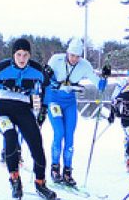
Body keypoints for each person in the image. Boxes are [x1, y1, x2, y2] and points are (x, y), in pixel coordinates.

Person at [0, 38, 57, 200]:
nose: (22, 59)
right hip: (4, 109)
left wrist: (45, 108)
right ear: (13, 55)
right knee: (10, 137)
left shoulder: (36, 69)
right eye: (18, 54)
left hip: (24, 109)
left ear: (29, 55)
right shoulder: (1, 68)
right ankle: (14, 179)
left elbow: (47, 86)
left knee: (36, 144)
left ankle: (40, 183)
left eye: (25, 55)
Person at [44, 38, 107, 186]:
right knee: (59, 133)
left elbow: (98, 83)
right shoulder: (56, 60)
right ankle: (54, 168)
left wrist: (103, 78)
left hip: (70, 102)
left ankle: (67, 172)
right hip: (54, 99)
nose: (74, 59)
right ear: (67, 52)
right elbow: (44, 79)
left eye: (77, 56)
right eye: (72, 55)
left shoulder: (84, 65)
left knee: (70, 136)